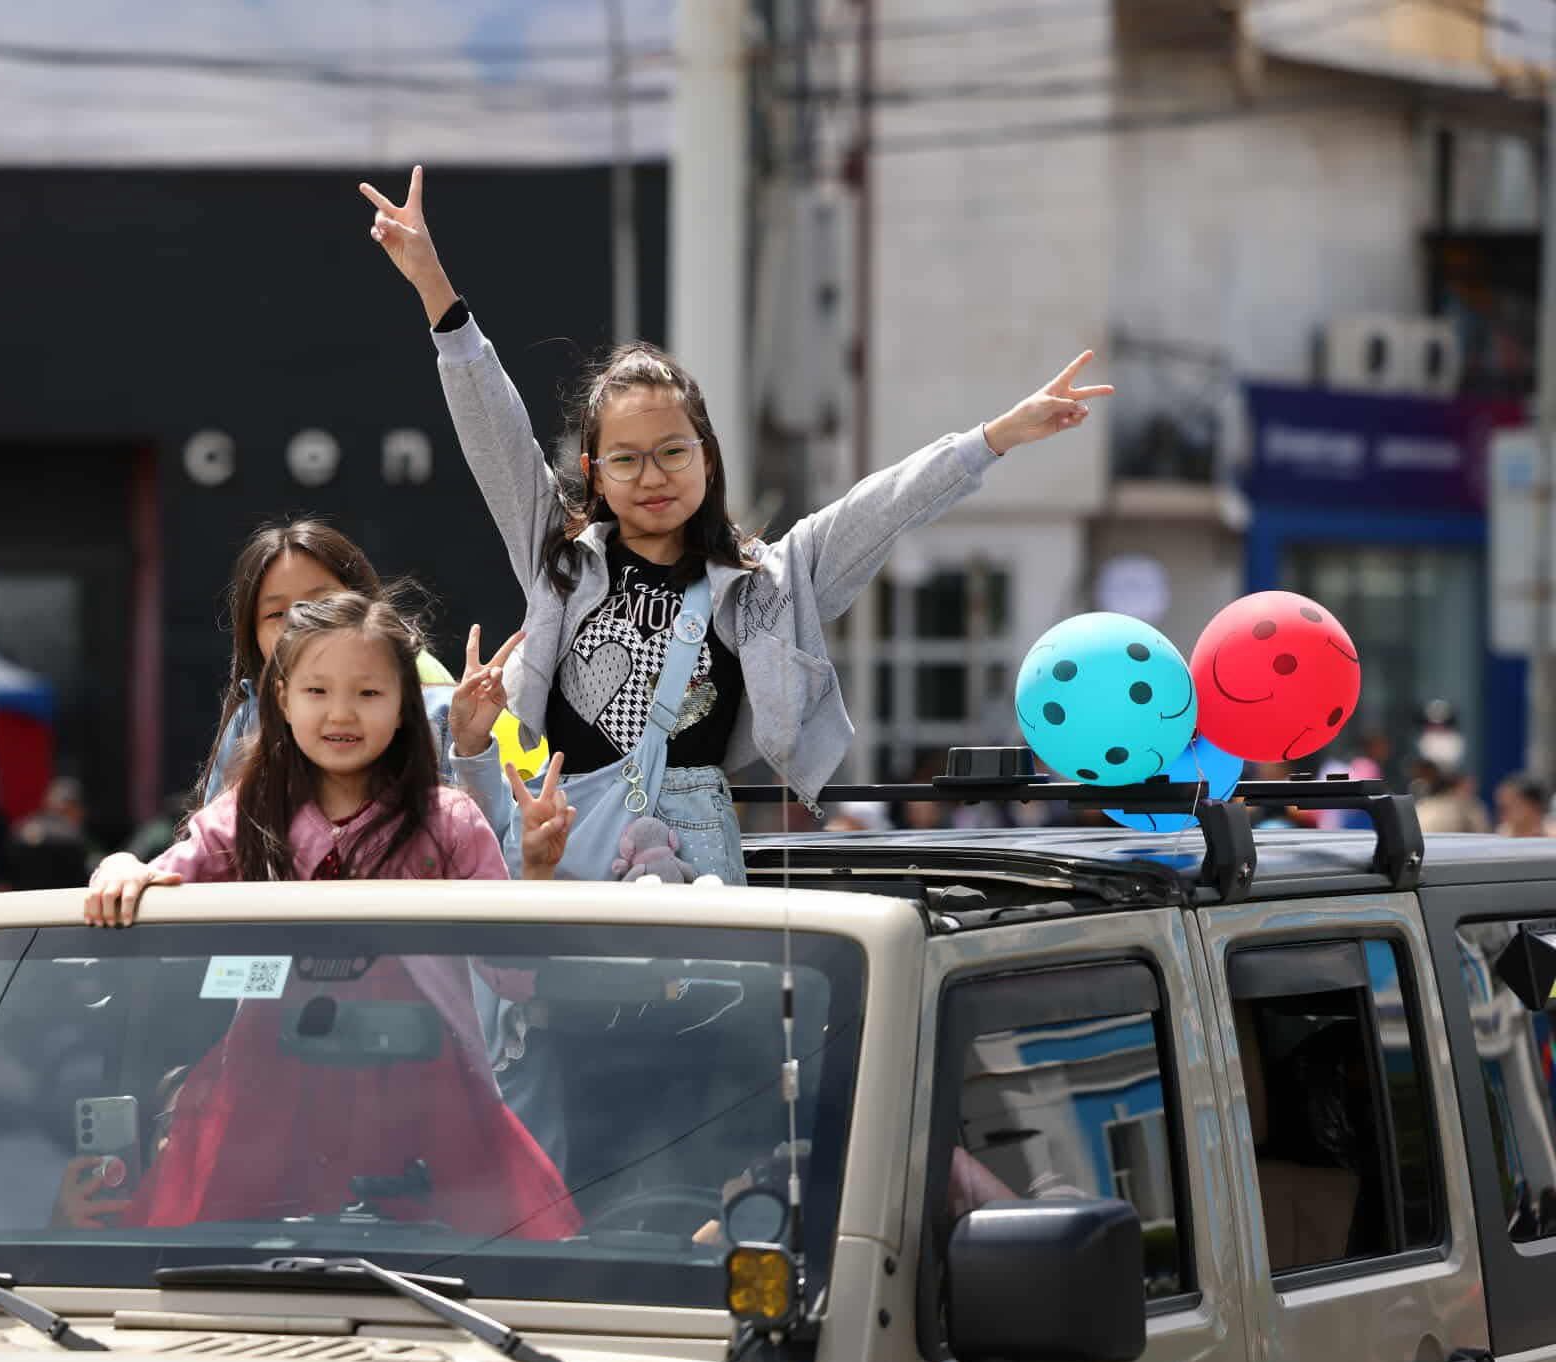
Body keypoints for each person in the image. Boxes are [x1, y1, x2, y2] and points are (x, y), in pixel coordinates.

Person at [360, 166, 1111, 882]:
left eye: (672, 452)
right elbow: (493, 430)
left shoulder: (769, 580)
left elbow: (881, 507)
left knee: (701, 1020)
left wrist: (998, 436)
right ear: (594, 475)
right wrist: (433, 287)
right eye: (625, 460)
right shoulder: (559, 556)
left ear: (709, 459)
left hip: (696, 850)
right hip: (568, 835)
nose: (652, 476)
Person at [67, 593, 579, 1238]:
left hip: (426, 1097)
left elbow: (511, 979)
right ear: (282, 698)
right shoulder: (246, 812)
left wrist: (536, 871)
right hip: (269, 1100)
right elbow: (172, 871)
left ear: (404, 707)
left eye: (368, 693)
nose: (341, 713)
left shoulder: (451, 820)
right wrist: (119, 865)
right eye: (317, 690)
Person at [197, 517, 521, 833]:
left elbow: (487, 851)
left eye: (321, 602)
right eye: (276, 614)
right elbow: (208, 852)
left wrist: (472, 747)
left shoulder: (443, 713)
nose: (301, 622)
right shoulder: (247, 720)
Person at [1495, 772, 1552, 838]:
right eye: (1501, 806)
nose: (1502, 812)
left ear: (1533, 806)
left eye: (1510, 805)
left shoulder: (1551, 836)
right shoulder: (1501, 837)